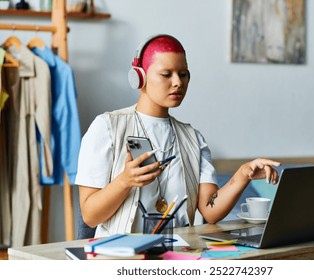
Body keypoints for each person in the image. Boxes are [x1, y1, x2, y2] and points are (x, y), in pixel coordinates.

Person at [75, 34, 281, 237]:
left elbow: (210, 211)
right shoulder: (107, 127)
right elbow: (90, 216)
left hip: (179, 256)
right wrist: (124, 181)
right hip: (121, 258)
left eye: (183, 74)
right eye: (166, 74)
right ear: (139, 77)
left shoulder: (193, 138)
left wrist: (242, 175)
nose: (178, 83)